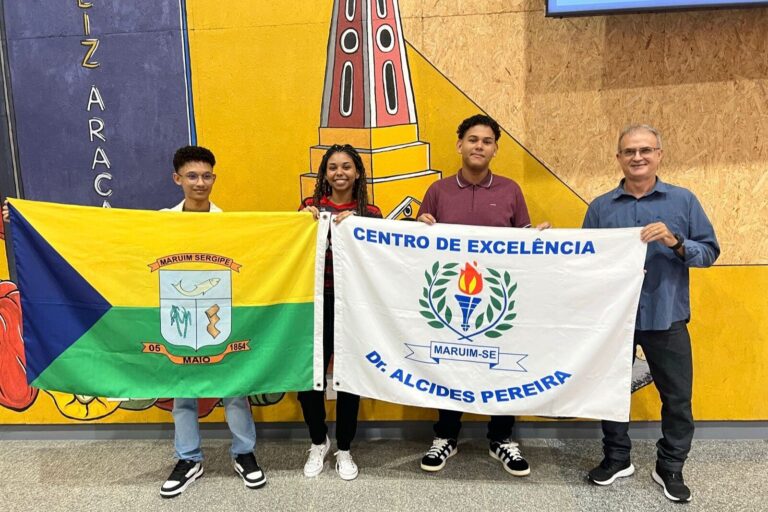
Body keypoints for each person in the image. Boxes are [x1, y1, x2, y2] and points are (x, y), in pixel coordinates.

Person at [583, 125, 719, 503]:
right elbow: (584, 260)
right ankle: (616, 458)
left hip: (666, 315)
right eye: (629, 151)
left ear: (659, 154)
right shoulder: (601, 207)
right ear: (618, 158)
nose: (637, 157)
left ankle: (670, 466)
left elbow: (709, 252)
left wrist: (676, 242)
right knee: (610, 392)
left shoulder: (683, 201)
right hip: (615, 320)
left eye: (645, 150)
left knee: (677, 397)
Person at [416, 114, 549, 476]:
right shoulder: (438, 191)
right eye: (472, 139)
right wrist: (419, 227)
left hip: (497, 298)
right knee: (449, 359)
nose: (479, 146)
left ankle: (502, 438)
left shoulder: (510, 191)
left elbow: (522, 244)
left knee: (502, 361)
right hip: (447, 294)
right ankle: (446, 436)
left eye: (486, 141)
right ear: (459, 145)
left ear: (495, 149)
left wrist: (538, 239)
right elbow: (417, 252)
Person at [159, 145, 265, 498]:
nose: (199, 182)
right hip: (177, 313)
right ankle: (188, 459)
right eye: (192, 176)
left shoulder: (228, 225)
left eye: (206, 176)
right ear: (177, 179)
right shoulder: (160, 222)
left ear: (214, 178)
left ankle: (244, 453)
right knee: (183, 391)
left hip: (220, 313)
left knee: (233, 388)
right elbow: (110, 239)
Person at [298, 144, 382, 480]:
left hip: (354, 306)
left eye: (347, 166)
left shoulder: (371, 212)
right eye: (332, 167)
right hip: (315, 304)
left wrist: (361, 227)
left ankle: (344, 448)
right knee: (309, 377)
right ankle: (318, 441)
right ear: (324, 173)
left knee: (349, 377)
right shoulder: (309, 208)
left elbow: (382, 256)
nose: (340, 173)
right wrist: (301, 224)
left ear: (358, 172)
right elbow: (292, 248)